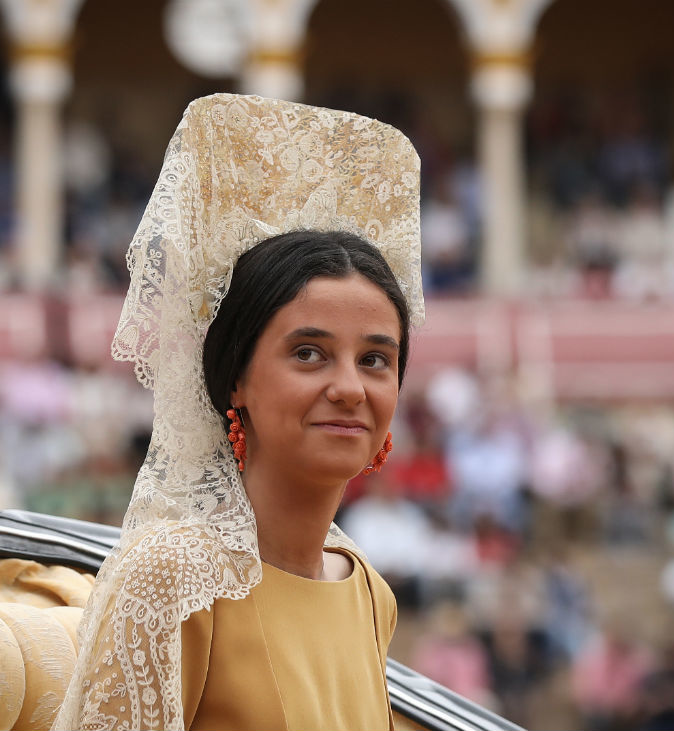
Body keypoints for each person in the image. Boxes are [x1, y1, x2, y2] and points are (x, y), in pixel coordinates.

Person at [53, 94, 425, 731]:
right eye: (309, 353)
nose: (349, 388)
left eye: (374, 360)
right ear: (237, 382)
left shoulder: (368, 591)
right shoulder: (173, 580)